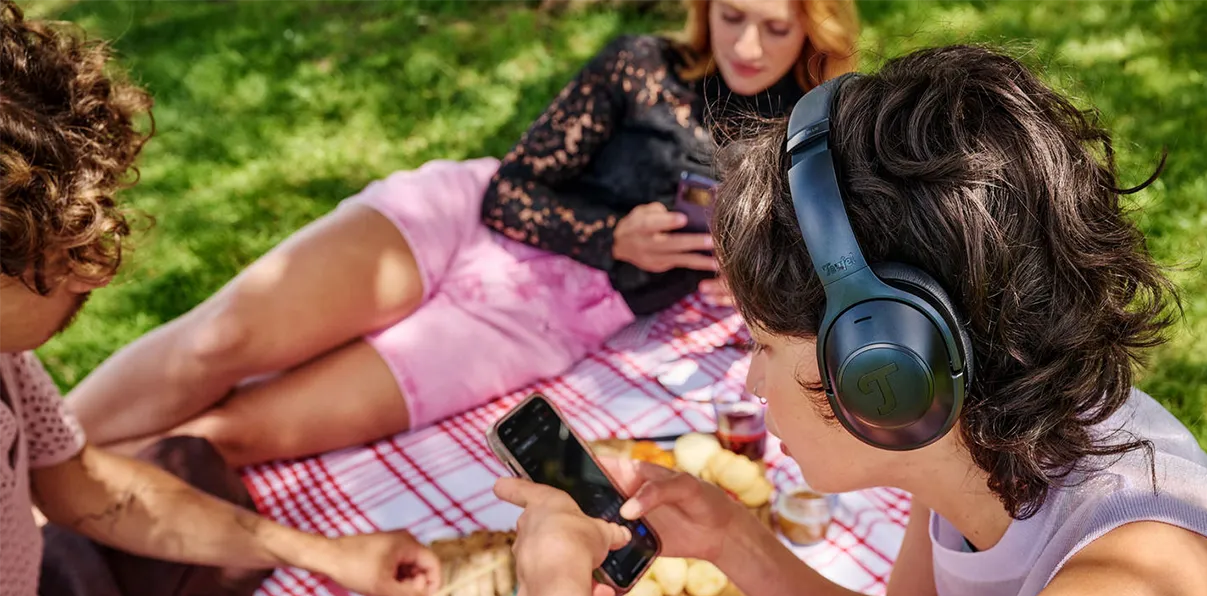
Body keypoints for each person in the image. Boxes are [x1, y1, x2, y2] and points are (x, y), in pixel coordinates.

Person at [493, 46, 1207, 596]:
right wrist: (728, 536)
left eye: (762, 344)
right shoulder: (986, 439)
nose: (751, 383)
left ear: (882, 362)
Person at [66, 0, 861, 467]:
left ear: (814, 30)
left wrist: (743, 274)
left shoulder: (809, 135)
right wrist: (612, 234)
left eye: (775, 28)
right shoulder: (641, 67)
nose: (747, 46)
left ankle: (50, 502)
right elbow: (508, 191)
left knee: (244, 434)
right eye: (731, 16)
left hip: (543, 319)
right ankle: (41, 441)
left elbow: (820, 269)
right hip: (455, 221)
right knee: (220, 341)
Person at [0, 4, 441, 596]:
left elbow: (80, 488)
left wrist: (324, 553)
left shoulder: (8, 357)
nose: (97, 273)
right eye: (66, 254)